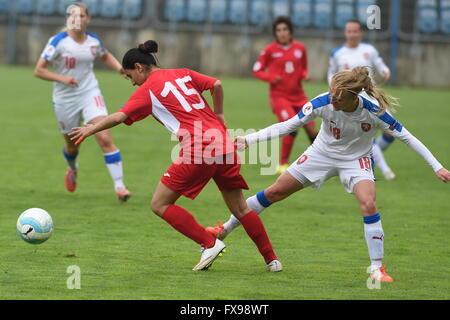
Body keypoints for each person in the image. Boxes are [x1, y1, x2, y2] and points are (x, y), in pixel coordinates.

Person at [207, 67, 450, 282]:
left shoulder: (373, 112)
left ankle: (377, 269)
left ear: (352, 97)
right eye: (331, 92)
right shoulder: (322, 102)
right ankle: (224, 229)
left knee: (368, 203)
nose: (332, 98)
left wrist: (436, 166)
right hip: (321, 154)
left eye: (338, 96)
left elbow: (407, 136)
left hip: (356, 159)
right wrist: (249, 139)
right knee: (275, 191)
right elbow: (288, 126)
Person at [69, 40, 282, 272]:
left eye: (130, 76)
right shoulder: (183, 73)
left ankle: (209, 243)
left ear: (139, 67)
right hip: (224, 143)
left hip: (199, 148)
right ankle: (272, 260)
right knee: (241, 208)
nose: (132, 83)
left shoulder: (148, 89)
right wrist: (219, 114)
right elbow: (217, 84)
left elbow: (120, 117)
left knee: (159, 204)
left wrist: (90, 128)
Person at [34, 2, 131, 201]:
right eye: (73, 16)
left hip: (89, 93)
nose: (78, 19)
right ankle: (72, 168)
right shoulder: (58, 41)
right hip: (64, 99)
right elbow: (39, 70)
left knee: (104, 137)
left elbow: (105, 56)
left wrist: (120, 69)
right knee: (72, 146)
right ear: (69, 19)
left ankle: (120, 188)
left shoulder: (94, 41)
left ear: (88, 19)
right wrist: (63, 79)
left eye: (81, 16)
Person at [328, 19, 395, 180]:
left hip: (372, 97)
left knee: (391, 131)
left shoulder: (369, 50)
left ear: (360, 33)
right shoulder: (337, 53)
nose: (352, 34)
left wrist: (385, 70)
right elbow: (330, 75)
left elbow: (378, 63)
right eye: (349, 31)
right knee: (368, 135)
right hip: (351, 103)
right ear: (345, 33)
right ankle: (385, 170)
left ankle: (369, 157)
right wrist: (335, 93)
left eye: (355, 31)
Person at [253, 16, 318, 175]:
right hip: (279, 96)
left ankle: (319, 163)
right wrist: (271, 78)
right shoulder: (269, 50)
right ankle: (283, 165)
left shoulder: (300, 48)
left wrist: (305, 74)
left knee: (311, 129)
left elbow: (303, 68)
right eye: (278, 30)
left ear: (290, 32)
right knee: (291, 124)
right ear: (275, 33)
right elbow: (257, 70)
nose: (282, 33)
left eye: (285, 30)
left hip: (299, 95)